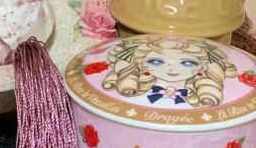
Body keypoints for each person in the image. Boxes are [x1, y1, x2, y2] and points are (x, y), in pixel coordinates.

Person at [101, 36, 237, 108]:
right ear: (141, 65)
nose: (172, 69)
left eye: (187, 63)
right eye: (156, 62)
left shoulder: (203, 101)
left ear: (202, 68)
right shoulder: (133, 94)